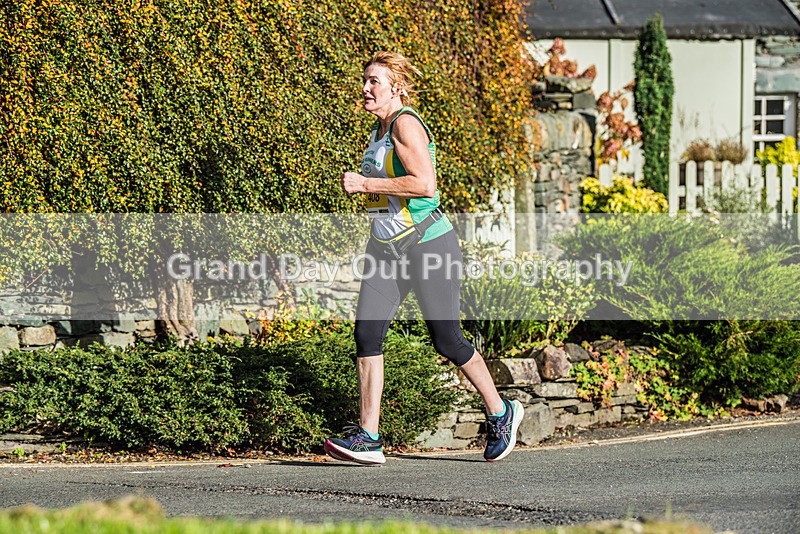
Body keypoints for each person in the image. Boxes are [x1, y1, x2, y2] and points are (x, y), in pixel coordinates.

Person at [324, 51, 524, 465]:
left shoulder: (405, 123)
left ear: (396, 87)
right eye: (364, 80)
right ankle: (369, 436)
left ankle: (501, 412)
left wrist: (364, 184)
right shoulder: (379, 132)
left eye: (373, 81)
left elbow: (424, 184)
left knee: (446, 339)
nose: (365, 88)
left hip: (428, 245)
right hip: (386, 249)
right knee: (366, 334)